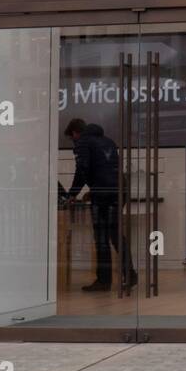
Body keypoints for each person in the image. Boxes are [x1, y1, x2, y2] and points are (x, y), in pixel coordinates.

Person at [63, 118, 134, 293]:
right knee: (116, 236)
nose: (74, 142)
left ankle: (104, 281)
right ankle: (130, 275)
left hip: (103, 195)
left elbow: (82, 170)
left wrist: (72, 194)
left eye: (72, 138)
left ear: (74, 133)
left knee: (101, 239)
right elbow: (107, 170)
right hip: (119, 192)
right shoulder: (108, 141)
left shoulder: (83, 142)